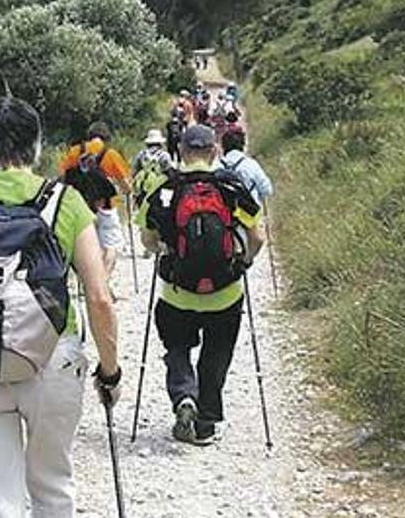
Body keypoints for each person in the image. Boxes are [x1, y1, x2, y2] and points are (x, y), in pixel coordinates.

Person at [0, 97, 121, 518]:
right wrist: (110, 370)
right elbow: (100, 297)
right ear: (37, 145)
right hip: (53, 359)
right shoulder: (66, 202)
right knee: (52, 487)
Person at [136, 124, 265, 447]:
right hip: (225, 293)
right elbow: (258, 236)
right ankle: (206, 422)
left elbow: (148, 240)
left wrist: (166, 250)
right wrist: (243, 262)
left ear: (180, 152)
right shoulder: (230, 187)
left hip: (178, 293)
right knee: (216, 354)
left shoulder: (164, 189)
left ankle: (183, 397)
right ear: (214, 152)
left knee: (177, 348)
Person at [58, 122, 132, 278]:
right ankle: (103, 281)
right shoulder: (111, 154)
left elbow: (63, 178)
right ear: (106, 138)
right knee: (110, 246)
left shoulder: (75, 152)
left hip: (80, 206)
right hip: (106, 206)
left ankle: (90, 281)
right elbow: (126, 186)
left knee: (88, 247)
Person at [220, 127, 274, 205]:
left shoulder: (217, 166)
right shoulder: (251, 164)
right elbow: (267, 190)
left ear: (223, 146)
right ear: (243, 144)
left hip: (226, 214)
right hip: (249, 214)